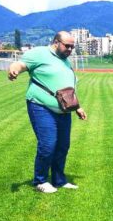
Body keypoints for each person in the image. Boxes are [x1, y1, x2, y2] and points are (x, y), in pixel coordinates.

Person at [8, 31, 87, 193]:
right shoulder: (39, 53)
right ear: (56, 42)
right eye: (67, 46)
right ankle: (40, 181)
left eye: (73, 47)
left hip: (64, 110)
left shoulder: (66, 62)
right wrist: (13, 69)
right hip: (40, 106)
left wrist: (77, 107)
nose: (70, 50)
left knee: (63, 146)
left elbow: (68, 87)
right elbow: (21, 65)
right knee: (48, 144)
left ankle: (59, 180)